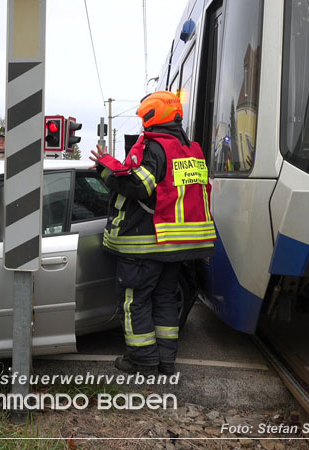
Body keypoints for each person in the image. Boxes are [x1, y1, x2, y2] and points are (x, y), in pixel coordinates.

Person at [89, 91, 215, 376]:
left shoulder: (154, 147)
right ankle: (166, 361)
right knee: (166, 300)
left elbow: (138, 187)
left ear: (152, 116)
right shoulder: (191, 149)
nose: (142, 124)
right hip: (179, 243)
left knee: (135, 301)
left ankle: (142, 359)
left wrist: (106, 170)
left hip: (147, 242)